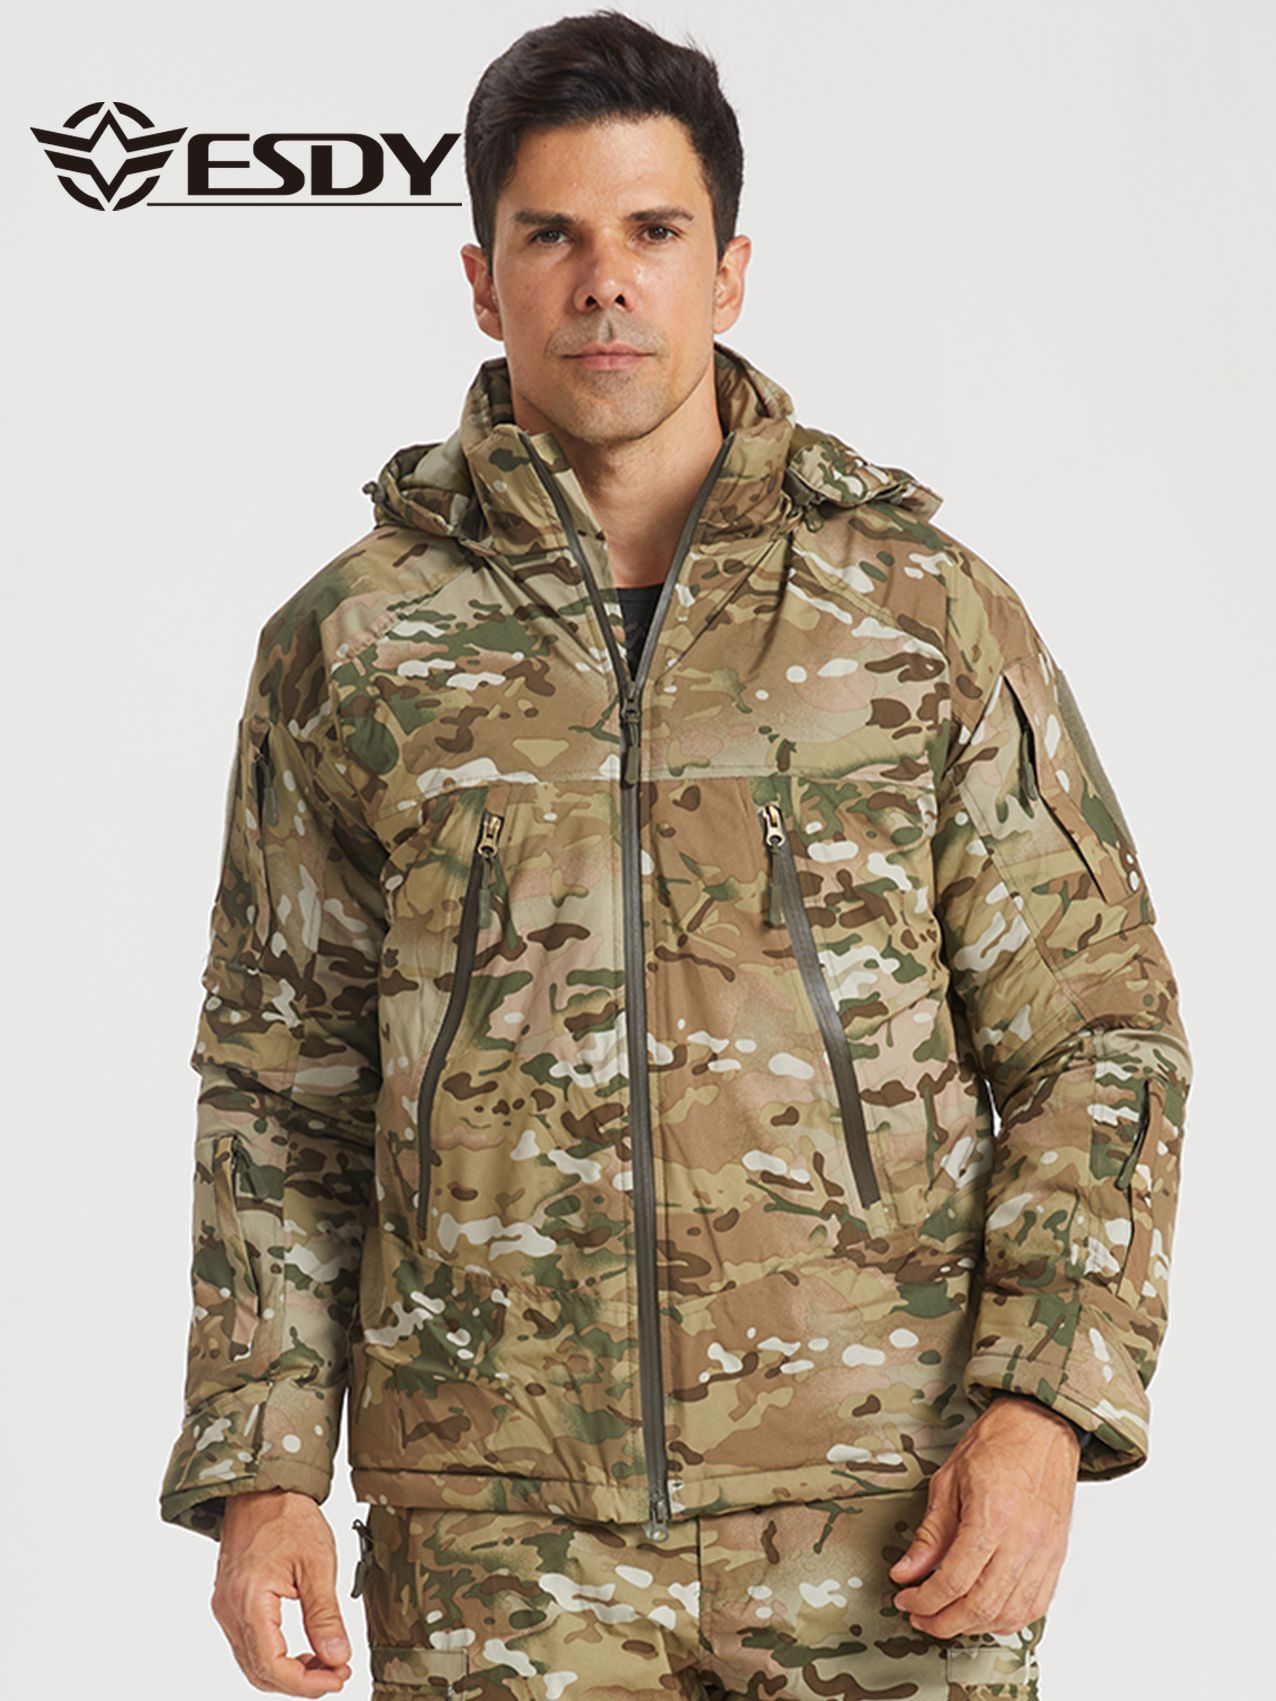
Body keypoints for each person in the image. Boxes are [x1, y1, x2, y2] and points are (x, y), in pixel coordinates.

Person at [158, 11, 1192, 1698]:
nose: (605, 284)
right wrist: (265, 1466)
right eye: (550, 236)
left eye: (653, 230)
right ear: (482, 282)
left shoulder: (917, 614)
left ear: (729, 271)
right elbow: (281, 1087)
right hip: (498, 1551)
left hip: (885, 1521)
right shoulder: (352, 646)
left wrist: (1045, 1405)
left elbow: (1100, 1033)